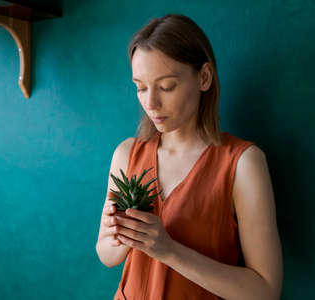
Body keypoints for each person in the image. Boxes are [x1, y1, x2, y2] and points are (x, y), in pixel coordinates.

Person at [96, 14, 283, 300]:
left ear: (204, 77)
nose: (151, 103)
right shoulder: (126, 153)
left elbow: (265, 290)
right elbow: (107, 255)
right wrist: (119, 234)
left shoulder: (244, 163)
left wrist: (169, 250)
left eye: (167, 86)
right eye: (141, 87)